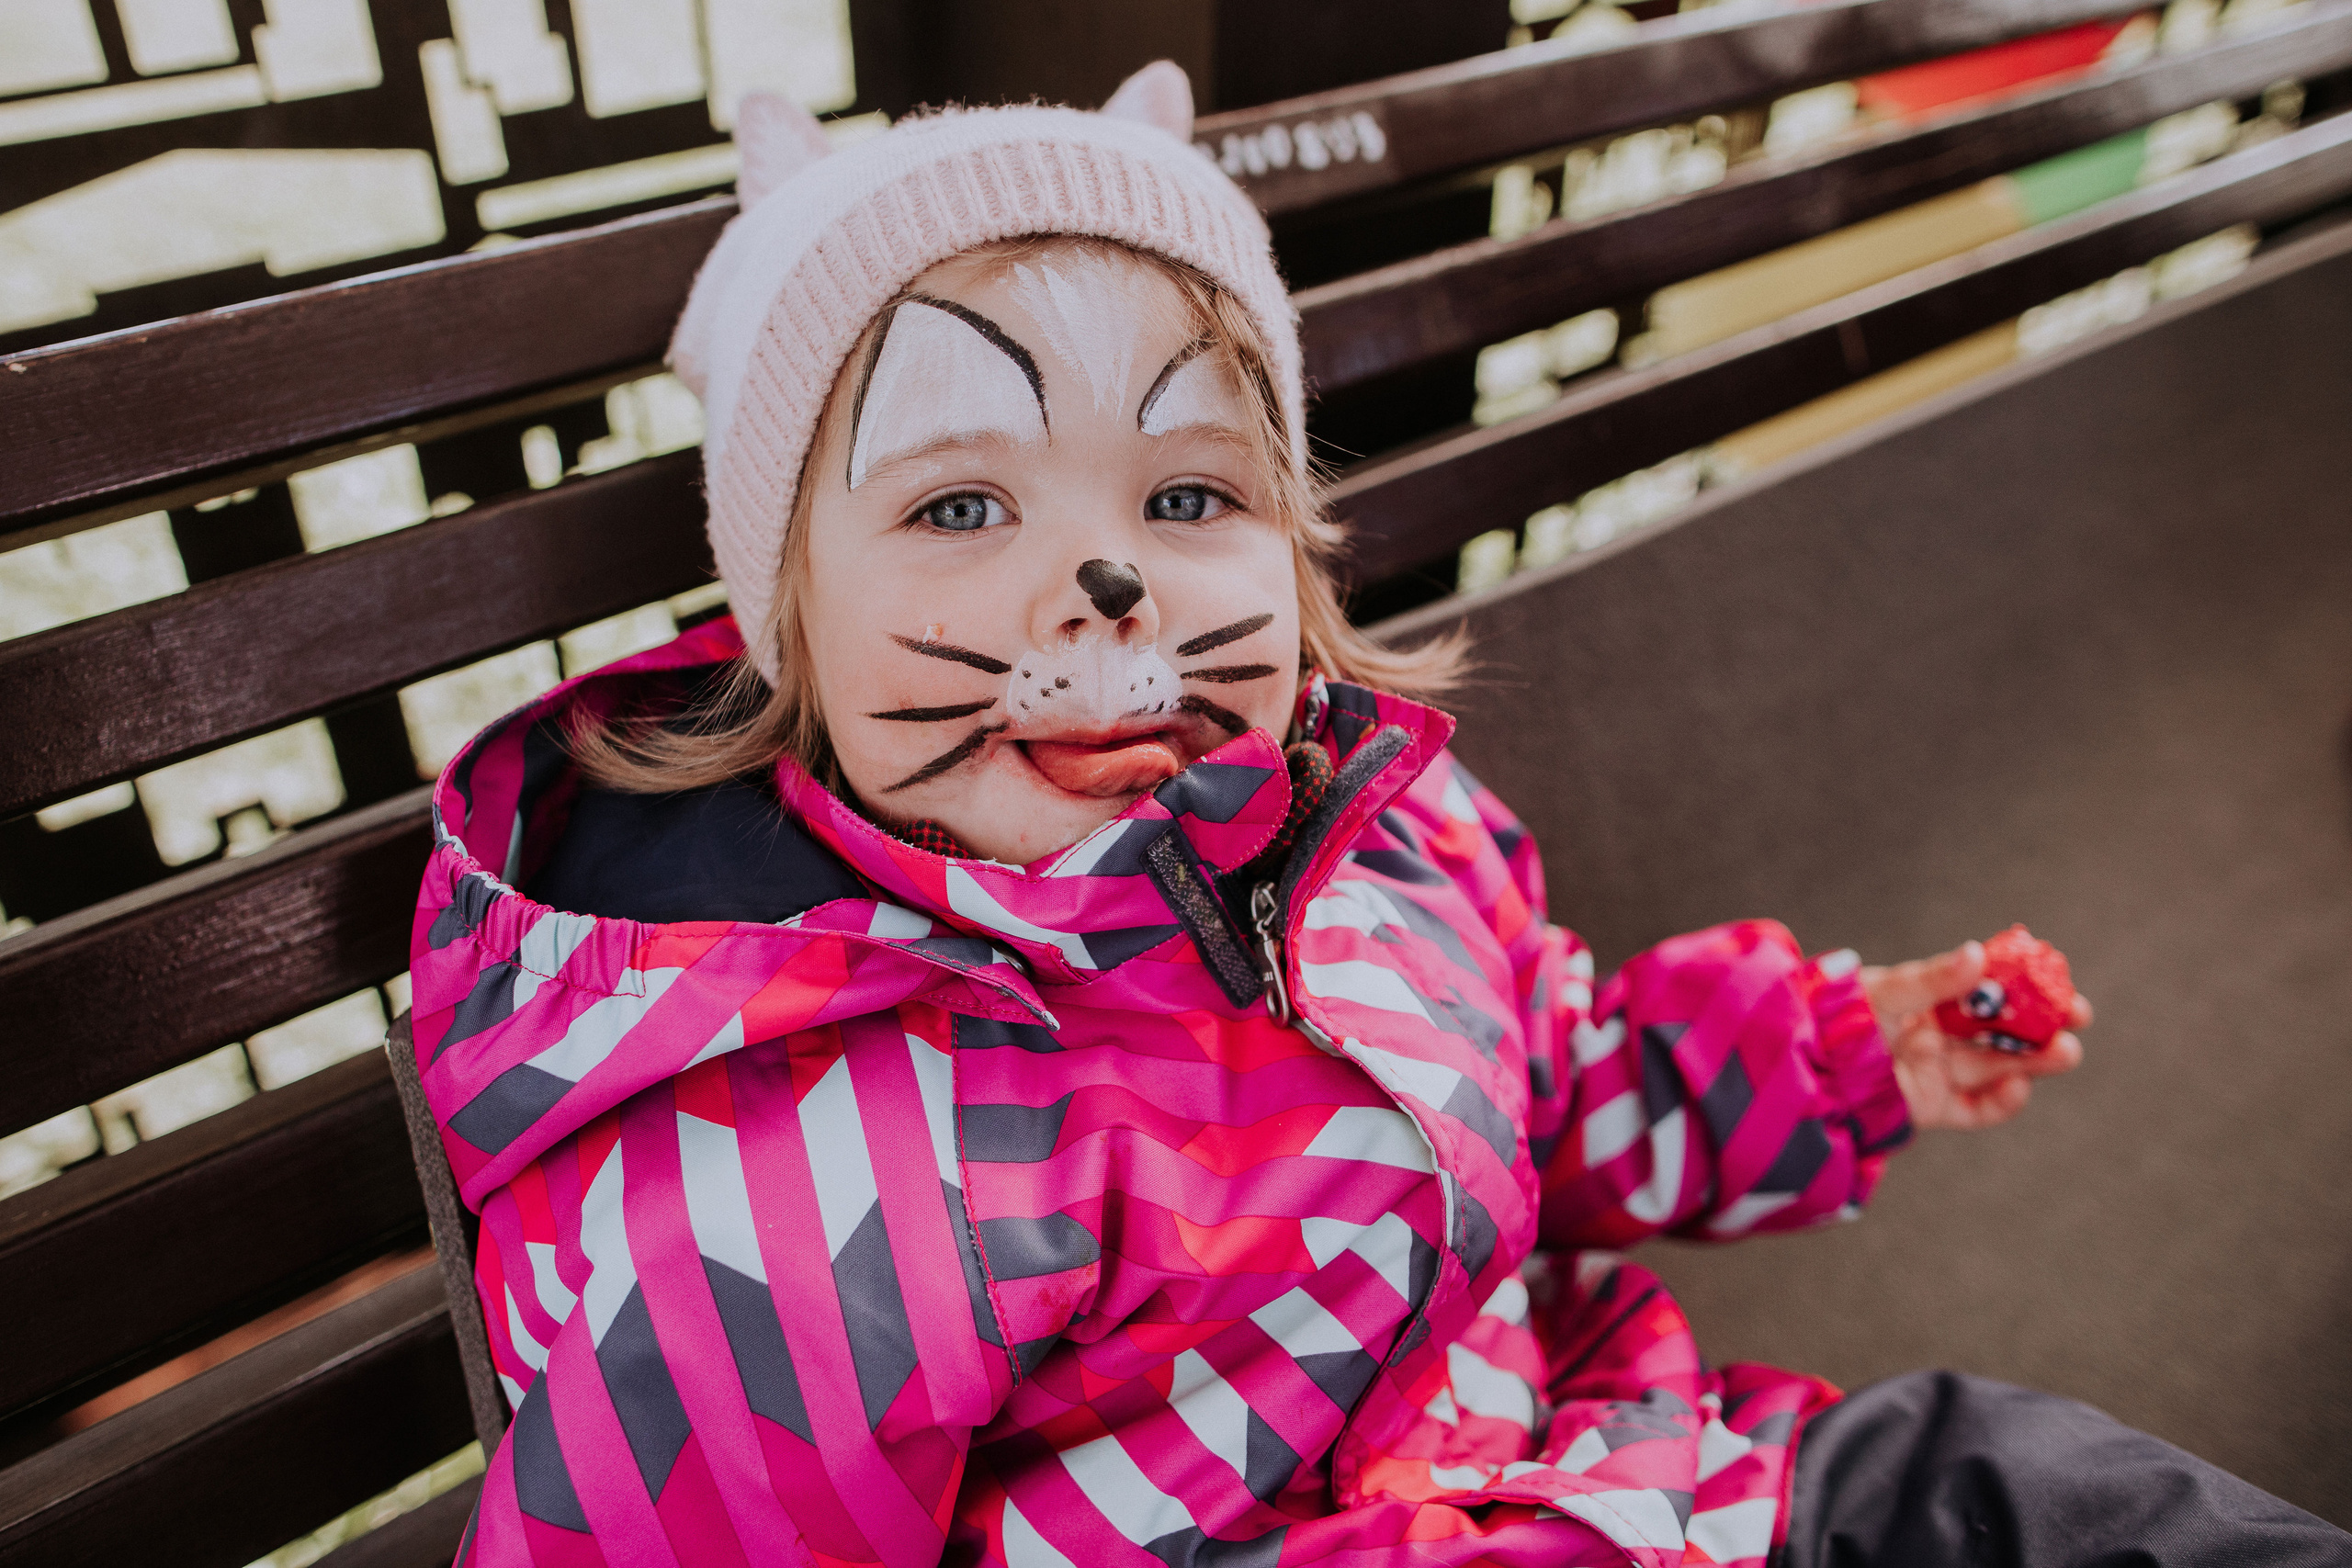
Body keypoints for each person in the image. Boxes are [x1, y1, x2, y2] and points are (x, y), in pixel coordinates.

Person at [407, 63, 2348, 1568]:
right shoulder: (789, 1187)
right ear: (785, 624)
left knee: (2038, 1492)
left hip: (1623, 1487)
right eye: (960, 504)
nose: (1104, 587)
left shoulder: (1368, 838)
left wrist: (1825, 1056)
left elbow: (1550, 1090)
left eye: (1185, 495)